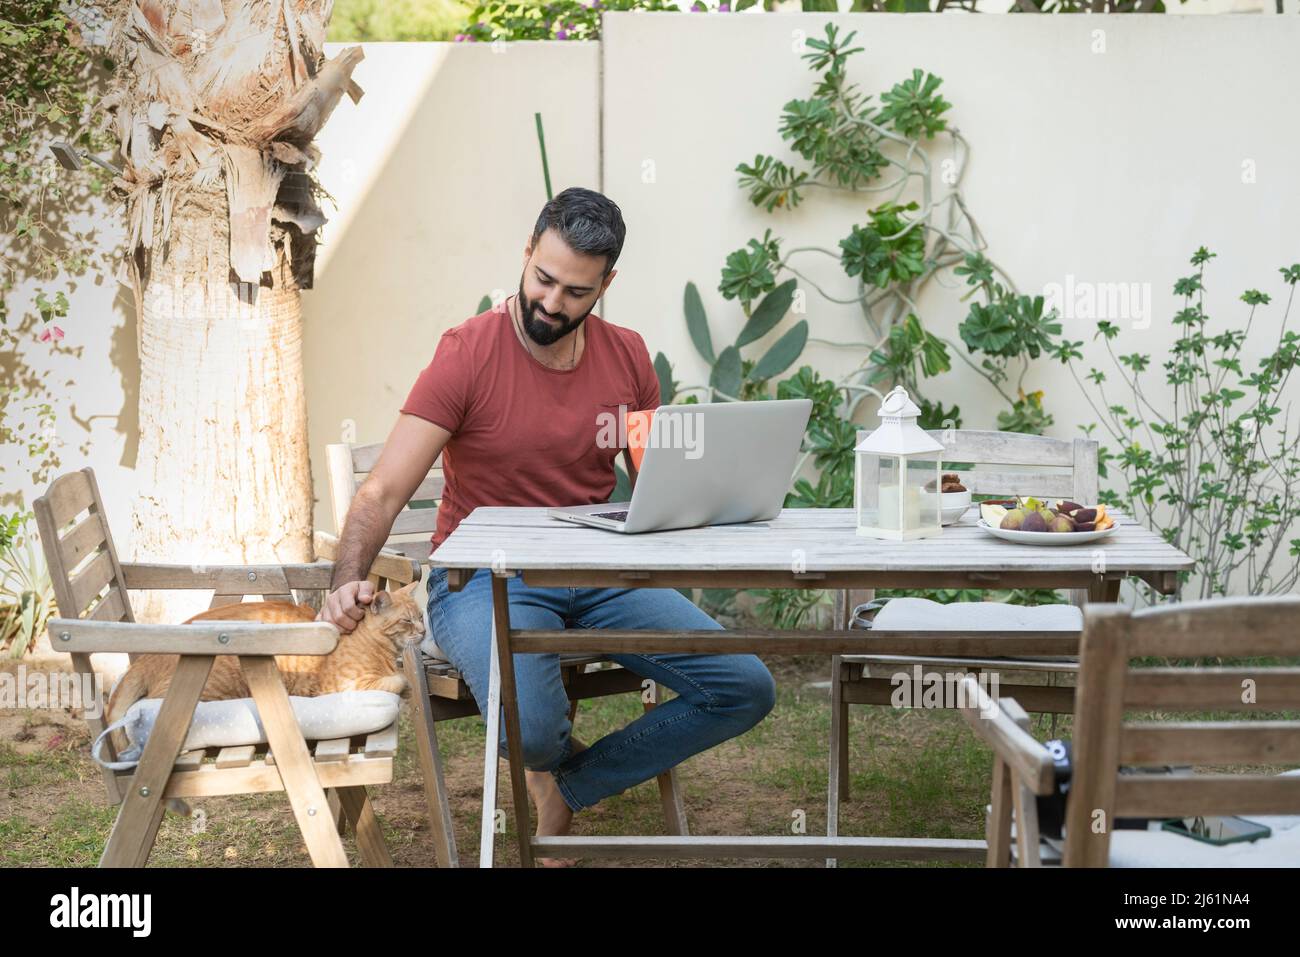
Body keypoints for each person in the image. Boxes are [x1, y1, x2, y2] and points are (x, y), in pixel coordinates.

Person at [318, 186, 776, 865]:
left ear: (607, 284)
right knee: (530, 727)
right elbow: (382, 489)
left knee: (746, 685)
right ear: (527, 253)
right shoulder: (467, 352)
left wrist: (711, 493)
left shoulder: (627, 357)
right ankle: (552, 765)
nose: (552, 303)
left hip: (600, 576)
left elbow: (658, 487)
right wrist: (346, 581)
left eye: (576, 292)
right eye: (543, 279)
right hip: (481, 580)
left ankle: (570, 784)